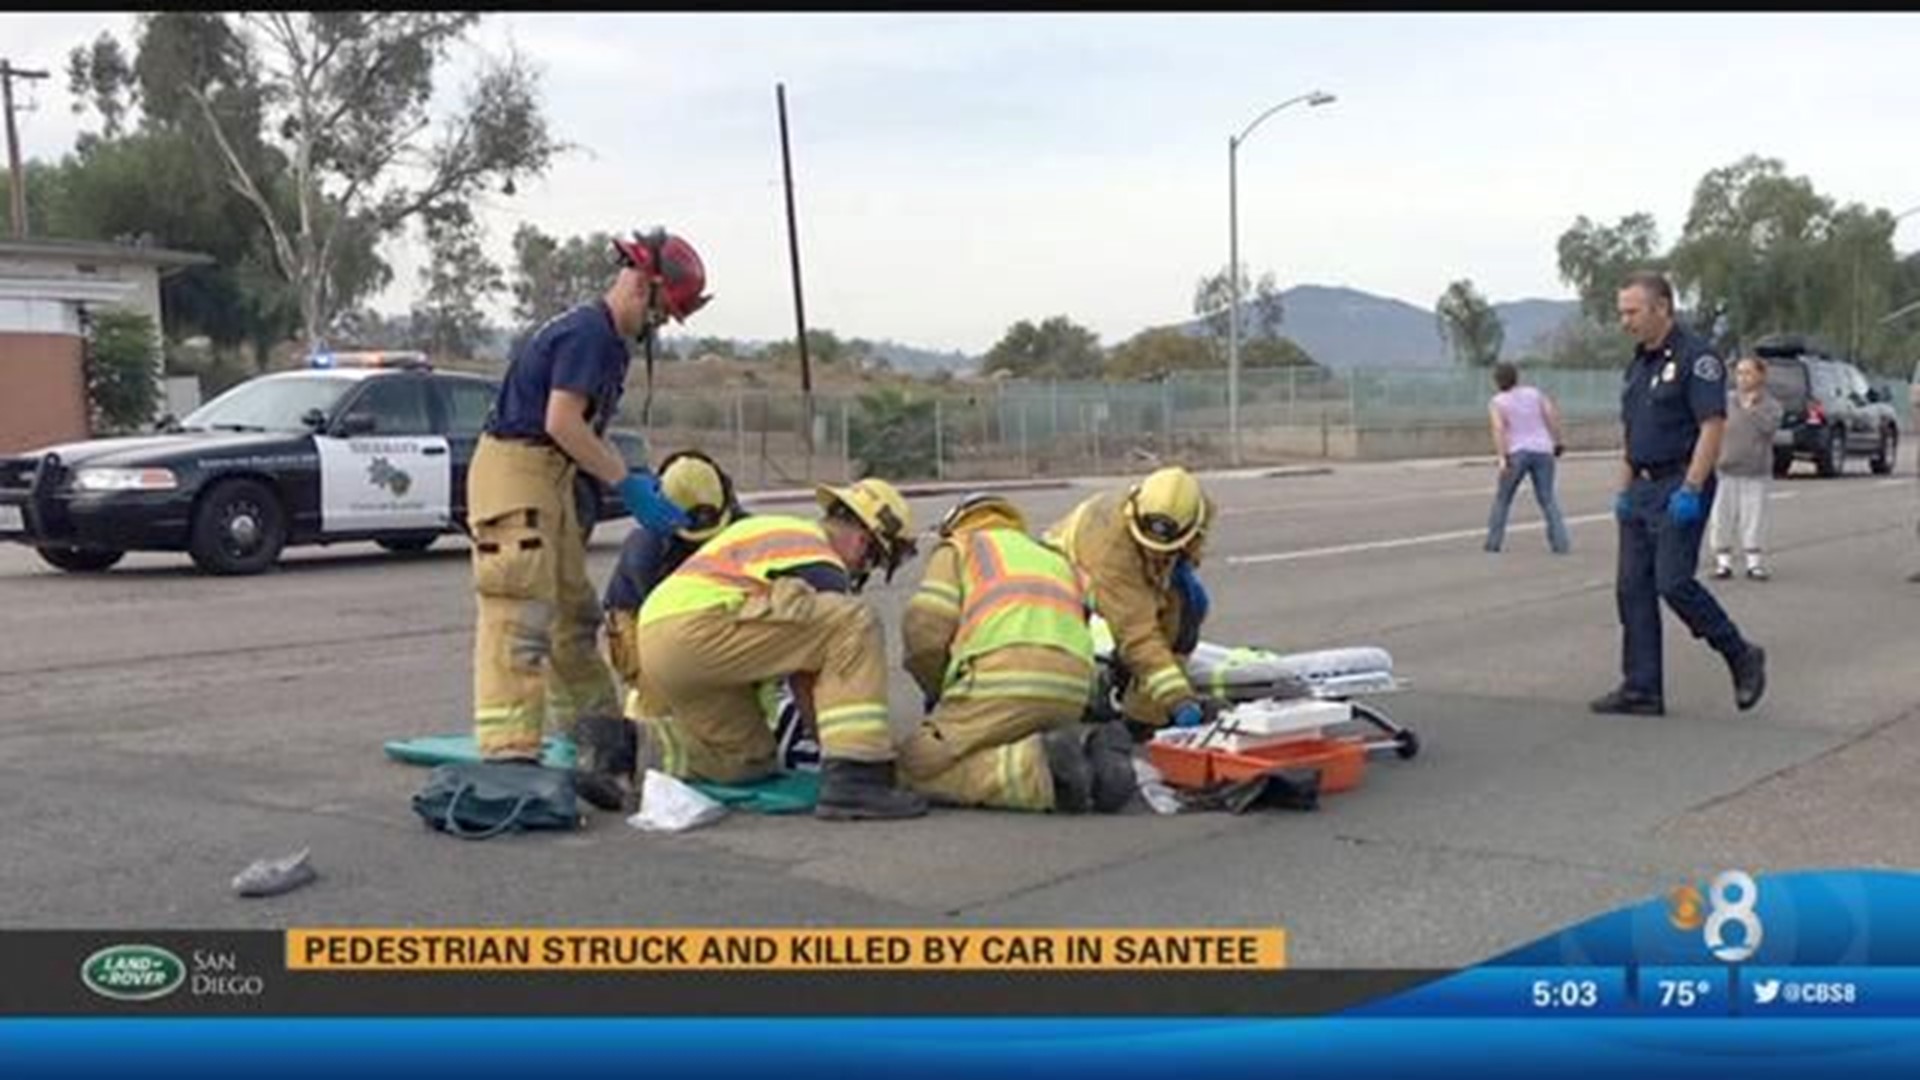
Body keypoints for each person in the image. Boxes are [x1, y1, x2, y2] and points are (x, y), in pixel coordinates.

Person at [467, 228, 709, 800]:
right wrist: (625, 482)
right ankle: (508, 756)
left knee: (573, 617)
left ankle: (600, 745)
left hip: (549, 477)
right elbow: (562, 422)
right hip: (517, 472)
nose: (657, 328)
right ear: (645, 286)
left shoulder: (603, 339)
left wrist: (625, 477)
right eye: (662, 314)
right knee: (521, 614)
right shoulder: (589, 334)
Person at [633, 478, 926, 821]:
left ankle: (624, 745)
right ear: (863, 541)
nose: (864, 571)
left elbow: (792, 651)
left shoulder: (776, 532)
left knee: (746, 759)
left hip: (658, 638)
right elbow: (808, 675)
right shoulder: (819, 560)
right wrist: (848, 755)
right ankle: (858, 782)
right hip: (699, 628)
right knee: (855, 620)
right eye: (872, 561)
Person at [1591, 271, 1766, 717]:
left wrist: (1691, 487)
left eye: (1633, 311)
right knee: (1632, 589)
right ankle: (1642, 687)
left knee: (1673, 582)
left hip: (1680, 481)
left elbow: (1712, 425)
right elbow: (1633, 432)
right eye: (1622, 312)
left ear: (1662, 308)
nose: (1625, 321)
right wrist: (1623, 489)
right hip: (1642, 485)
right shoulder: (1638, 365)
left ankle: (1740, 653)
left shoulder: (1697, 358)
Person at [898, 493, 1135, 814]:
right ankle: (1090, 762)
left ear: (956, 524)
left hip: (1001, 683)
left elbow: (926, 632)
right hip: (1071, 692)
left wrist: (939, 688)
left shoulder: (960, 547)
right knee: (998, 737)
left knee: (913, 764)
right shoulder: (1053, 557)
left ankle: (1042, 775)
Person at [1045, 466, 1215, 740]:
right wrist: (1178, 697)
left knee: (1185, 612)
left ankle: (1143, 717)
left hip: (1134, 567)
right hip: (1068, 576)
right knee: (1064, 659)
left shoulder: (1195, 510)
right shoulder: (1110, 552)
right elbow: (1137, 635)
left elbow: (1191, 549)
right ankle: (1071, 707)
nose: (1155, 552)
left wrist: (1175, 569)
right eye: (1150, 546)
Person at [1706, 356, 1784, 581]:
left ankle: (1753, 563)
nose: (1743, 378)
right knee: (1722, 517)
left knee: (1753, 517)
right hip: (1725, 469)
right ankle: (1723, 562)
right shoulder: (1726, 401)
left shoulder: (1771, 405)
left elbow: (1768, 428)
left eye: (1748, 373)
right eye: (1739, 373)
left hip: (1755, 471)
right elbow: (1713, 427)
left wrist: (1751, 408)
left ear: (1761, 375)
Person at [1483, 361, 1571, 555]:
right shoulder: (1534, 393)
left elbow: (1498, 429)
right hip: (1543, 450)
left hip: (1517, 452)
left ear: (1497, 381)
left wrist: (1502, 457)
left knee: (1503, 499)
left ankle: (1493, 542)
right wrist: (1557, 442)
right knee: (1548, 499)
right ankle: (1561, 543)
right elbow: (1551, 416)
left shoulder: (1498, 401)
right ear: (1517, 377)